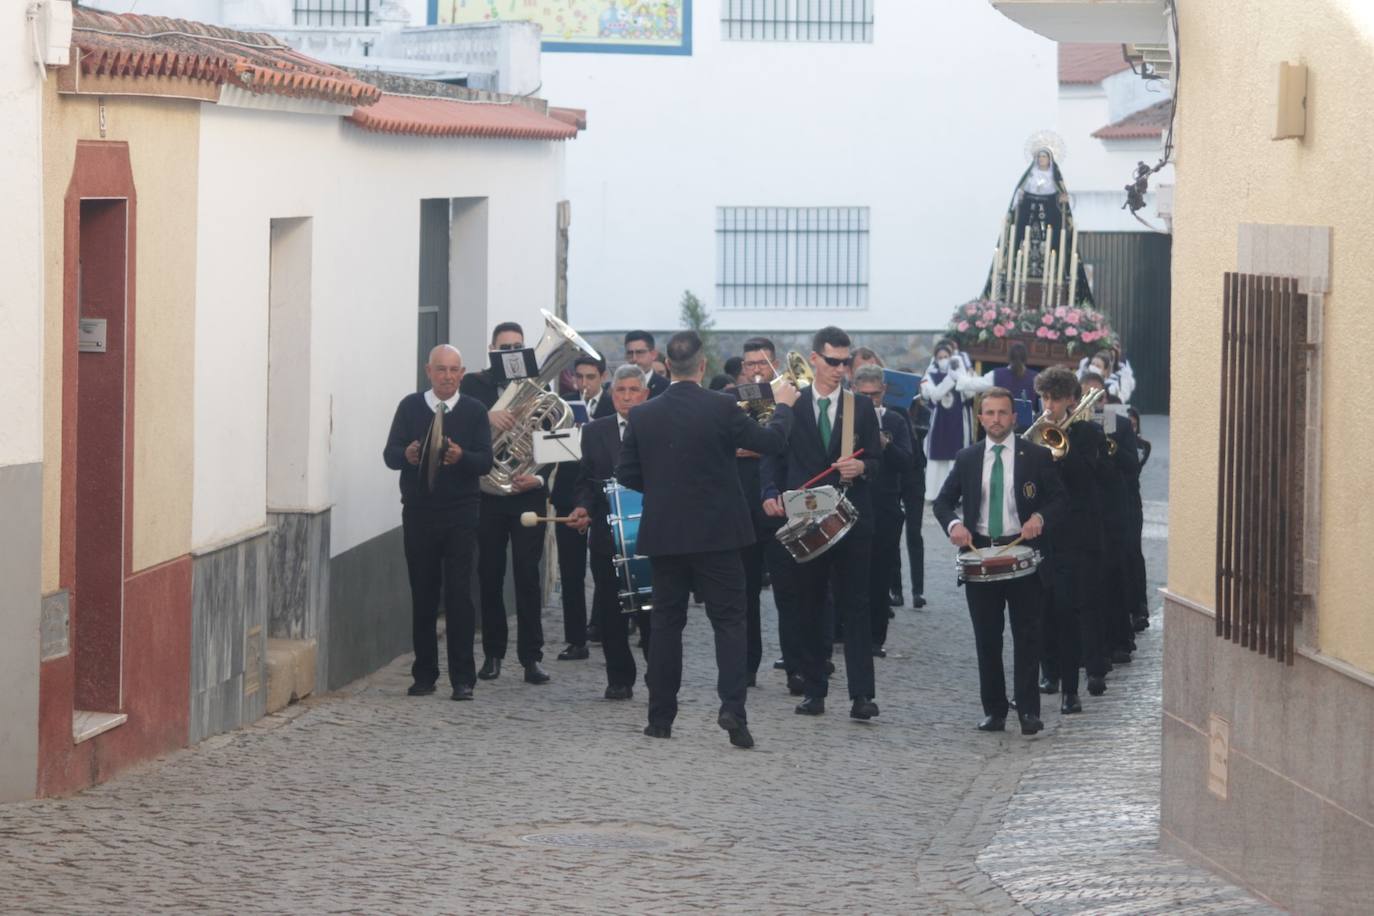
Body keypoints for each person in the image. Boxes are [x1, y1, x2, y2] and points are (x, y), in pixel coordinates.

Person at [617, 331, 799, 748]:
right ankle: (732, 709)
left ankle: (660, 718)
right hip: (718, 533)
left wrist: (664, 490)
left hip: (666, 533)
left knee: (666, 625)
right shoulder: (722, 406)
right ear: (702, 366)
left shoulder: (643, 415)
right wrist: (784, 407)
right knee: (729, 623)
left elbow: (626, 473)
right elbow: (771, 441)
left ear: (667, 365)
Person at [761, 326, 883, 721]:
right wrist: (769, 492)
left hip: (852, 520)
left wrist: (862, 467)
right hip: (806, 518)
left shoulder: (859, 406)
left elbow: (879, 460)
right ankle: (814, 691)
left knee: (856, 608)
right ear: (814, 359)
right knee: (810, 606)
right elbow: (772, 456)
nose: (840, 369)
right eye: (832, 361)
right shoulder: (792, 405)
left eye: (845, 363)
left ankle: (862, 696)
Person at [933, 387, 1065, 735]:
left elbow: (1059, 499)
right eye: (989, 413)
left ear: (1014, 417)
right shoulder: (967, 458)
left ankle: (1028, 711)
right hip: (981, 558)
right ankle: (994, 711)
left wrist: (1040, 518)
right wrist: (955, 525)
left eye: (1003, 412)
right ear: (980, 418)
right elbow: (942, 503)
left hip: (1023, 555)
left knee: (1028, 637)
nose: (996, 419)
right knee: (987, 640)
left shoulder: (1036, 455)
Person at [383, 345, 493, 700]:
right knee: (424, 594)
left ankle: (463, 678)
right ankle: (425, 674)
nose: (447, 376)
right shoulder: (410, 407)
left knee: (460, 596)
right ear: (428, 371)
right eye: (441, 369)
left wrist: (461, 457)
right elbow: (390, 455)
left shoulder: (475, 411)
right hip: (419, 513)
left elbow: (485, 461)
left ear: (462, 373)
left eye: (453, 370)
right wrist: (407, 454)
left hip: (461, 513)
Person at [460, 322, 553, 686]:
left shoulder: (540, 387)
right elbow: (457, 424)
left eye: (517, 346)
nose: (511, 352)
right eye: (504, 347)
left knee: (528, 576)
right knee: (489, 574)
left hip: (527, 492)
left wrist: (539, 478)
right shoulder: (473, 387)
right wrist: (485, 416)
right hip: (488, 494)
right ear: (492, 350)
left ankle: (532, 658)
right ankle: (493, 654)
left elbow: (554, 442)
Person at [565, 365, 653, 699]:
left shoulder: (658, 427)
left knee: (650, 612)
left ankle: (658, 675)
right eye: (620, 391)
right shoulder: (594, 431)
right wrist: (582, 507)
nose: (626, 397)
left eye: (633, 390)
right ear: (612, 393)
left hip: (648, 534)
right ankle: (619, 679)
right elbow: (585, 481)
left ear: (645, 394)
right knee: (611, 612)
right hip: (605, 535)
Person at [1031, 366, 1106, 710]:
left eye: (1056, 399)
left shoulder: (1088, 432)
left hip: (1079, 529)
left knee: (1079, 604)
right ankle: (1050, 671)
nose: (1049, 405)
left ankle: (1087, 674)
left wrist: (1061, 444)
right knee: (1045, 605)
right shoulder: (1035, 433)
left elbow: (1088, 475)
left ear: (1071, 400)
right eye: (1045, 398)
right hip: (1047, 530)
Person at [736, 337, 801, 690]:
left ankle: (795, 667)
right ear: (743, 368)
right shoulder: (731, 402)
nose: (756, 369)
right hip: (743, 509)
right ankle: (746, 667)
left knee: (788, 591)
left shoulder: (789, 399)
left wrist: (756, 447)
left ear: (774, 364)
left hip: (779, 507)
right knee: (744, 594)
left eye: (762, 363)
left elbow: (792, 447)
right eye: (750, 364)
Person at [1080, 371, 1141, 666]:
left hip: (1113, 510)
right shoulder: (1075, 425)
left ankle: (1118, 641)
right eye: (1087, 396)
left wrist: (1109, 445)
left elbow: (1132, 466)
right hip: (1084, 511)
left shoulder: (1119, 423)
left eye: (1098, 396)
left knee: (1114, 577)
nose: (1093, 402)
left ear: (1105, 397)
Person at [852, 365, 913, 658]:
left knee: (879, 574)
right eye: (864, 395)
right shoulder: (845, 417)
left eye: (874, 395)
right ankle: (842, 631)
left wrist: (886, 444)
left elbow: (909, 463)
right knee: (848, 574)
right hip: (852, 503)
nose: (870, 400)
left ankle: (875, 637)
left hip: (885, 505)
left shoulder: (895, 420)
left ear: (884, 391)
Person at [550, 356, 605, 662]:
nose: (584, 383)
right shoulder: (564, 405)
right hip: (568, 494)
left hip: (602, 497)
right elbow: (548, 448)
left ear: (602, 377)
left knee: (604, 568)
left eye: (591, 377)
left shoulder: (611, 404)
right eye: (580, 377)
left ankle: (603, 626)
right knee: (570, 571)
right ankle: (576, 640)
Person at [921, 342, 977, 497]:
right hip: (938, 423)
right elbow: (933, 395)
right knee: (936, 458)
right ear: (935, 359)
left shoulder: (960, 373)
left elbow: (970, 393)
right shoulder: (929, 374)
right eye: (940, 357)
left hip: (957, 421)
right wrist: (950, 379)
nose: (943, 360)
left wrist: (961, 374)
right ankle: (934, 493)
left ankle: (955, 494)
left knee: (956, 456)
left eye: (946, 357)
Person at [594, 330, 668, 418]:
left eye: (640, 352)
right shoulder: (611, 388)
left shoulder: (666, 387)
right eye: (630, 353)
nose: (634, 358)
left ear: (653, 354)